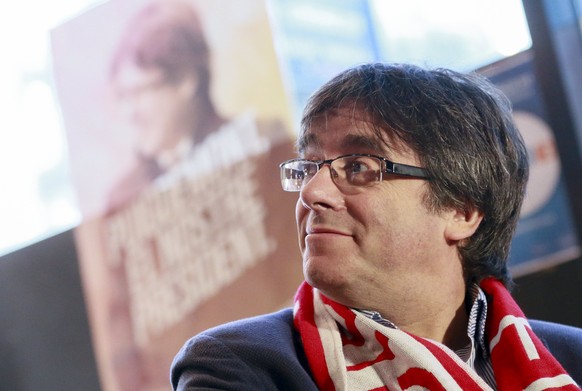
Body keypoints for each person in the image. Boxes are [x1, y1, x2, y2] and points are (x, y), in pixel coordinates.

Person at [170, 63, 582, 390]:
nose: (312, 193)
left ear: (462, 210)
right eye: (309, 166)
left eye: (357, 166)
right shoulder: (241, 366)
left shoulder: (573, 360)